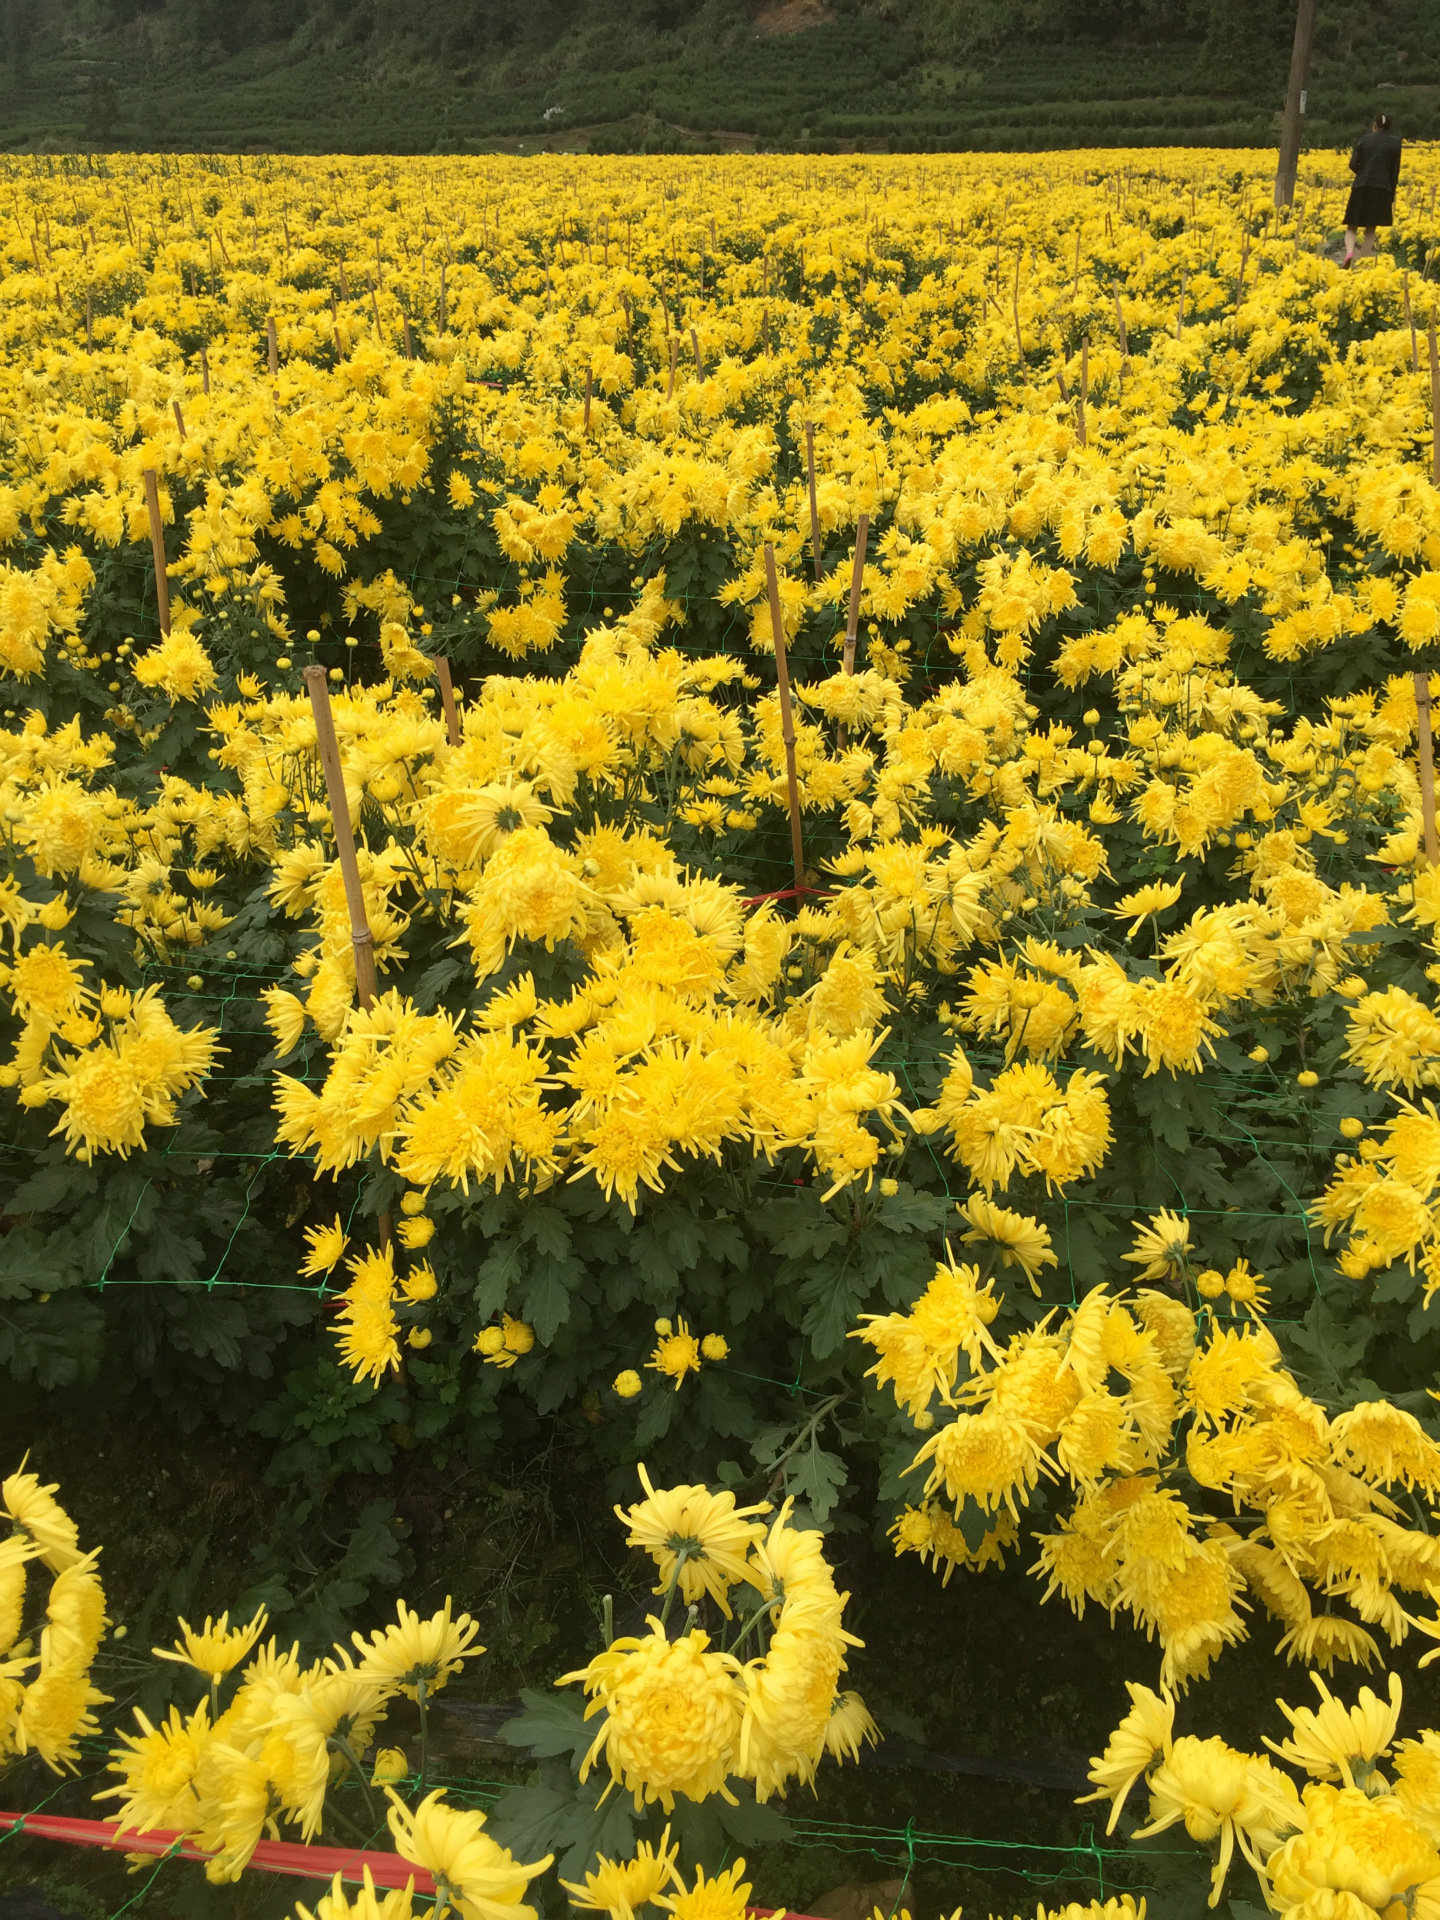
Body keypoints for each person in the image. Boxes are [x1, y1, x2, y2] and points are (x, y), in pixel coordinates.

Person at [1341, 112, 1402, 266]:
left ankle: (1349, 252)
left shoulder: (1365, 139)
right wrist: (1391, 192)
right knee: (1370, 229)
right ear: (1390, 127)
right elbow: (1394, 171)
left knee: (1352, 226)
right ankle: (1363, 261)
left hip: (1361, 185)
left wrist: (1362, 173)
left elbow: (1353, 164)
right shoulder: (1395, 143)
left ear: (1374, 125)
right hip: (1382, 188)